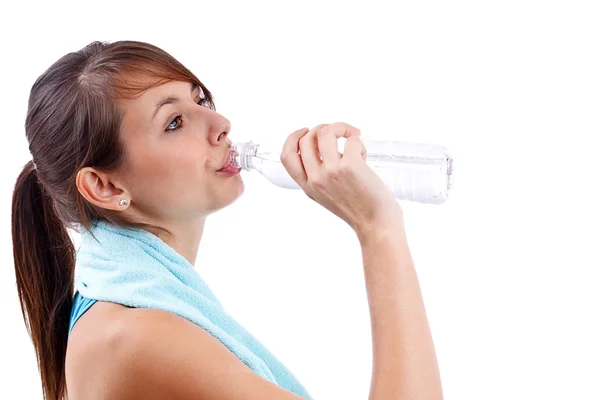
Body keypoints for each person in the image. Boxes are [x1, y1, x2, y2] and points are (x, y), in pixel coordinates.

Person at [11, 40, 443, 400]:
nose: (220, 123)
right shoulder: (135, 336)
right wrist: (379, 229)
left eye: (200, 99)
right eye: (175, 122)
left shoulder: (131, 305)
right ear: (105, 187)